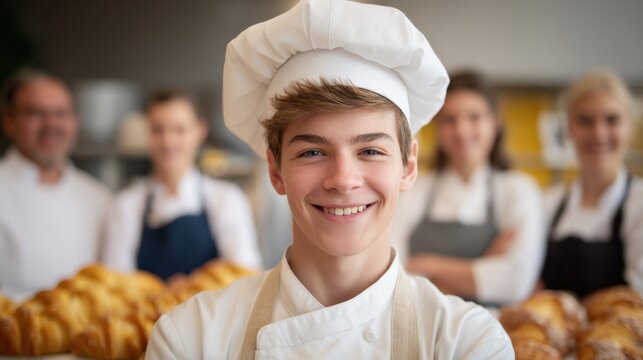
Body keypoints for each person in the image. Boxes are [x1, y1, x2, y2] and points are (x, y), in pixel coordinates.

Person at [145, 0, 513, 358]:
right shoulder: (190, 338)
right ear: (275, 171)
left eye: (370, 150)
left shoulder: (466, 341)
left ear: (408, 166)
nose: (343, 180)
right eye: (312, 152)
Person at [394, 71, 544, 305]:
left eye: (474, 117)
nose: (462, 130)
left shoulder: (518, 190)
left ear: (495, 123)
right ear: (438, 128)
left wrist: (426, 265)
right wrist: (483, 267)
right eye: (450, 120)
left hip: (496, 334)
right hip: (422, 333)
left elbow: (515, 283)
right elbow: (395, 277)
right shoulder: (413, 189)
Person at [101, 91, 262, 280]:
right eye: (158, 130)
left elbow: (245, 278)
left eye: (179, 130)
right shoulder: (126, 205)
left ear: (200, 131)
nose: (168, 141)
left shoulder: (227, 199)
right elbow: (115, 286)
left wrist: (186, 290)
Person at [0, 70, 111, 301]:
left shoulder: (99, 197)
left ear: (75, 122)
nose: (51, 123)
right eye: (36, 113)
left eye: (61, 113)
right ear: (9, 121)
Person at [542, 70, 643, 298]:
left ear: (630, 126)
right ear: (569, 127)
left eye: (612, 120)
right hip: (553, 333)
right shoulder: (547, 204)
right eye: (585, 121)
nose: (599, 133)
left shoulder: (639, 203)